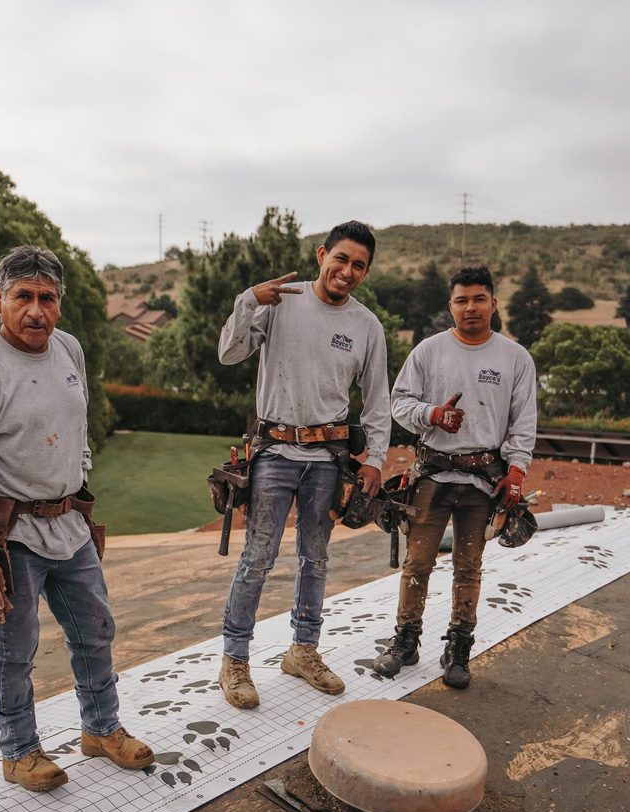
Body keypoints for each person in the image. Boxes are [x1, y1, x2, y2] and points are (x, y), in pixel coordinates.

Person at [0, 245, 153, 791]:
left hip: (69, 524)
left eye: (47, 298)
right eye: (23, 297)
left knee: (96, 630)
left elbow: (75, 428)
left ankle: (101, 730)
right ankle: (20, 751)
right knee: (14, 649)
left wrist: (79, 484)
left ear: (60, 303)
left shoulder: (69, 350)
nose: (36, 310)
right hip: (10, 537)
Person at [217, 221, 392, 709]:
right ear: (321, 255)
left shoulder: (367, 326)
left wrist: (375, 459)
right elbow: (229, 353)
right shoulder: (281, 302)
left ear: (366, 271)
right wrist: (248, 299)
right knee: (258, 558)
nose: (348, 271)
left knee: (316, 558)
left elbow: (377, 400)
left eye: (359, 265)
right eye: (341, 259)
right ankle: (234, 662)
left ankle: (304, 651)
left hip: (328, 458)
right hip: (274, 451)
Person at [373, 265, 537, 689]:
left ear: (493, 303)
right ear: (450, 305)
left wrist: (516, 471)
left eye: (479, 298)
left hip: (484, 479)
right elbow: (399, 403)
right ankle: (406, 642)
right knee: (418, 562)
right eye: (461, 300)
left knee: (469, 566)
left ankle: (459, 647)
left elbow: (523, 422)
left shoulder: (515, 358)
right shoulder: (429, 352)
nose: (470, 307)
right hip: (433, 474)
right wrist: (432, 414)